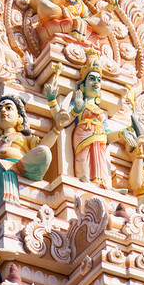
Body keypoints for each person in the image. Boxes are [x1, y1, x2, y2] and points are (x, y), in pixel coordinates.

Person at [46, 59, 134, 189]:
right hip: (83, 135)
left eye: (99, 80)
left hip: (100, 139)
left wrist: (122, 133)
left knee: (100, 161)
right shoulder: (78, 102)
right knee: (85, 160)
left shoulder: (101, 112)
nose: (96, 82)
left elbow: (108, 135)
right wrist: (54, 101)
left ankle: (102, 185)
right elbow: (62, 120)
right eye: (92, 79)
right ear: (83, 85)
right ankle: (84, 180)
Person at [0, 95, 52, 215]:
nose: (3, 111)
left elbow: (43, 146)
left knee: (44, 151)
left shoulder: (25, 137)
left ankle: (15, 169)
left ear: (19, 117)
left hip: (21, 166)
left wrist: (58, 128)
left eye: (8, 108)